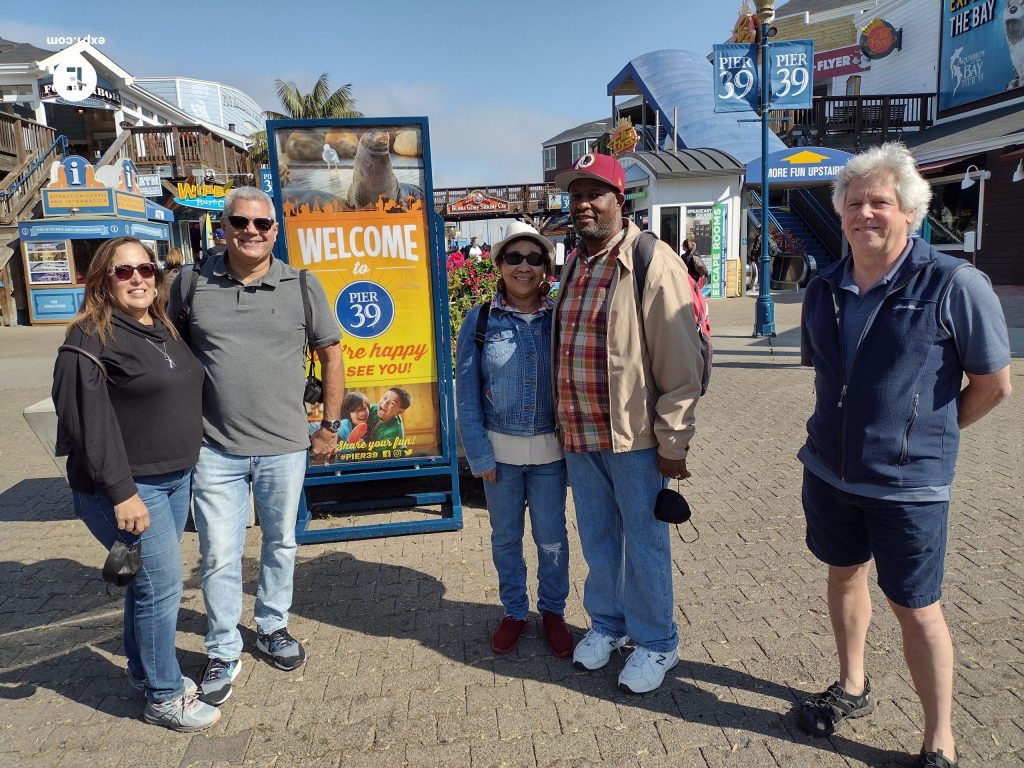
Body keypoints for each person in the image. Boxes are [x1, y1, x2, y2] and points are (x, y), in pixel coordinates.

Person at [796, 143, 1011, 768]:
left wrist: (926, 440)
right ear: (840, 215)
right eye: (854, 203)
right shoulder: (824, 288)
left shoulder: (954, 284)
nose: (866, 213)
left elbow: (995, 385)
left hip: (908, 489)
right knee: (842, 575)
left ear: (910, 212)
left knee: (917, 608)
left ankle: (939, 738)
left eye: (880, 202)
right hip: (829, 472)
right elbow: (829, 378)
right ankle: (853, 685)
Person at [168, 186, 344, 706]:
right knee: (219, 553)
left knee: (281, 542)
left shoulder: (302, 284)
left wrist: (329, 426)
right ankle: (223, 648)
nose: (250, 232)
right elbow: (169, 353)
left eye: (261, 224)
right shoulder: (191, 283)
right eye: (239, 222)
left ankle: (271, 625)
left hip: (285, 445)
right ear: (222, 228)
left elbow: (331, 355)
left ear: (275, 230)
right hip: (213, 447)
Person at [552, 153, 704, 694]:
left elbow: (681, 363)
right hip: (580, 432)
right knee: (597, 537)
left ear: (621, 200)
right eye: (576, 195)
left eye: (596, 194)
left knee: (643, 542)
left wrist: (674, 440)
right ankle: (609, 625)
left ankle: (657, 641)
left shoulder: (650, 259)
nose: (584, 204)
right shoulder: (573, 263)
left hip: (632, 437)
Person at [52, 237, 218, 732]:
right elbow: (88, 427)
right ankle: (165, 697)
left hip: (172, 477)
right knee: (162, 588)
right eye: (124, 272)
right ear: (104, 279)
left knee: (147, 587)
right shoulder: (87, 340)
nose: (139, 279)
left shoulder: (160, 325)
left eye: (147, 269)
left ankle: (146, 675)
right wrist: (121, 493)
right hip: (127, 488)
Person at [455, 221, 573, 658]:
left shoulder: (561, 317)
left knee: (552, 538)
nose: (524, 266)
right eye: (514, 258)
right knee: (505, 538)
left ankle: (554, 613)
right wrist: (478, 454)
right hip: (498, 458)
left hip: (551, 455)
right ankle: (515, 613)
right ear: (500, 264)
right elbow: (465, 393)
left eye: (534, 258)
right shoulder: (481, 319)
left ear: (546, 266)